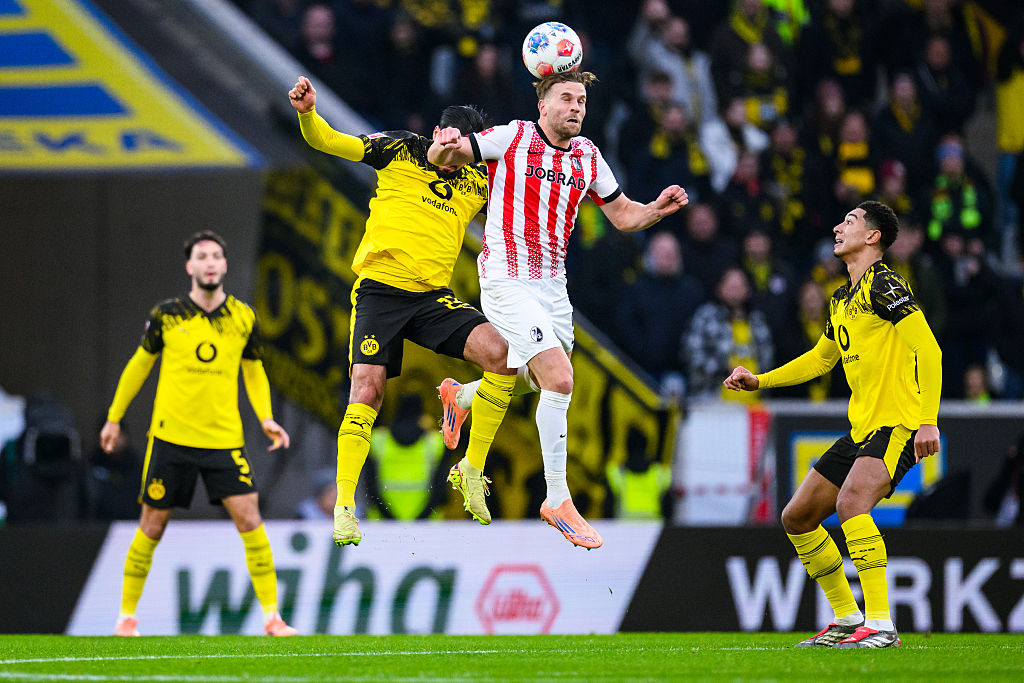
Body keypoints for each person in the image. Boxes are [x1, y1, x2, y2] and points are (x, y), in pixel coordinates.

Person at [427, 70, 689, 549]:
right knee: (561, 379)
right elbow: (452, 154)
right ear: (543, 105)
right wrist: (443, 145)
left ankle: (461, 397)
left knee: (531, 378)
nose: (576, 108)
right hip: (507, 278)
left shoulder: (588, 157)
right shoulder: (512, 137)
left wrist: (655, 209)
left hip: (553, 288)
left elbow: (622, 215)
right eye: (566, 98)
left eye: (582, 101)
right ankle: (557, 498)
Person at [288, 76, 516, 544]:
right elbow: (330, 141)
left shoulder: (479, 181)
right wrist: (308, 113)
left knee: (503, 356)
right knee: (367, 391)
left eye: (469, 149)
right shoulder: (400, 149)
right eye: (454, 142)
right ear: (438, 133)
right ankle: (345, 507)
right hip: (381, 292)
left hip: (431, 298)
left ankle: (469, 463)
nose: (459, 154)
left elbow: (526, 199)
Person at [724, 201, 942, 648]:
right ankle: (847, 618)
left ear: (873, 237)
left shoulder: (885, 285)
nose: (839, 228)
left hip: (898, 424)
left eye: (851, 222)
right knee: (797, 517)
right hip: (862, 430)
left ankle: (880, 625)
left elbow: (929, 350)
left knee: (852, 504)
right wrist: (761, 380)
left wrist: (928, 422)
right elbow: (821, 360)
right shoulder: (842, 298)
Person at [100, 230, 297, 637]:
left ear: (224, 264)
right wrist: (114, 418)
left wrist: (266, 417)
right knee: (151, 525)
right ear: (190, 266)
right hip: (170, 439)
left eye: (216, 256)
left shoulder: (243, 317)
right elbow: (139, 365)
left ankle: (272, 617)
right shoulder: (167, 315)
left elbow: (254, 370)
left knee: (250, 520)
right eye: (202, 257)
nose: (210, 263)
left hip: (223, 441)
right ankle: (126, 618)